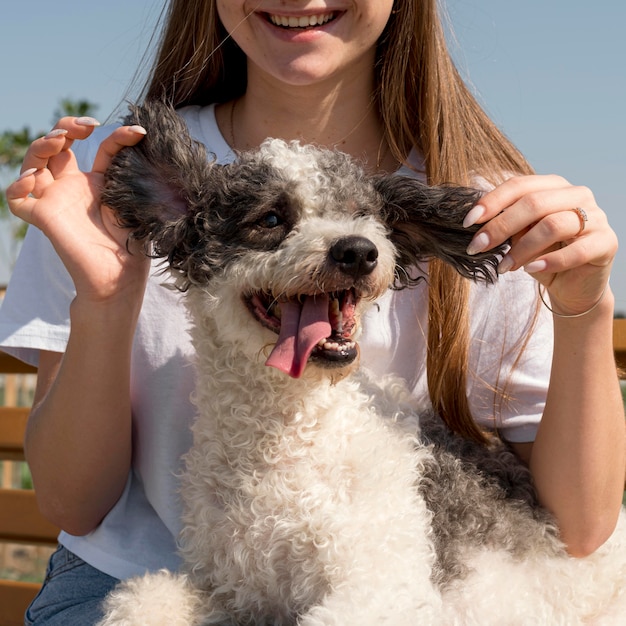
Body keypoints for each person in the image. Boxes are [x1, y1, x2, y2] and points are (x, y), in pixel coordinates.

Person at [1, 1, 624, 624]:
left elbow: (582, 530)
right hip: (127, 575)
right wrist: (107, 299)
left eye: (360, 226)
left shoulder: (499, 219)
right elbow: (71, 503)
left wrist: (586, 306)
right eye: (272, 222)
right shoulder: (94, 190)